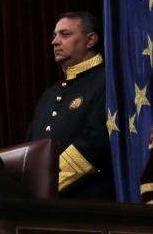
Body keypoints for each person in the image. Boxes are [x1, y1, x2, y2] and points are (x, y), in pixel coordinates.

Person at [26, 12, 112, 199]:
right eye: (54, 36)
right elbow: (32, 146)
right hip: (47, 204)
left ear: (90, 40)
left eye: (65, 34)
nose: (55, 42)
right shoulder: (49, 95)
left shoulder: (108, 80)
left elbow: (97, 141)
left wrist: (47, 183)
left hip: (90, 202)